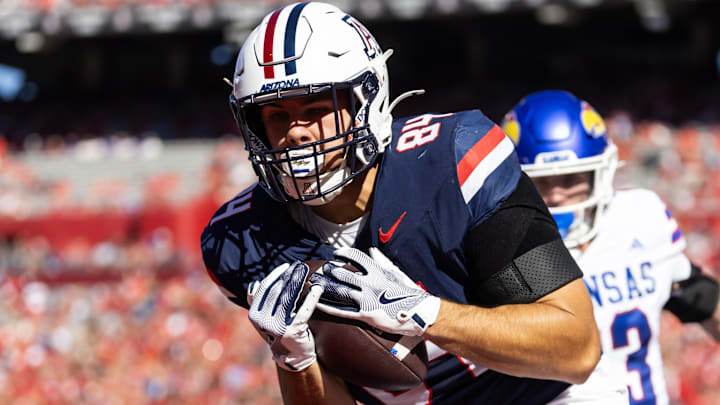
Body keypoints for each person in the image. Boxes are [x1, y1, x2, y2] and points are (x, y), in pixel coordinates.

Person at [201, 3, 609, 404]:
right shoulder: (241, 240)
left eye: (316, 109)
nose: (296, 133)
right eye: (276, 116)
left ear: (366, 101)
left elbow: (577, 349)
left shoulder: (452, 161)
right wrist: (295, 359)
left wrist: (421, 312)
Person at [503, 90, 720, 405]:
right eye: (540, 182)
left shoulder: (639, 218)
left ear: (601, 172)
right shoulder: (504, 251)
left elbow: (697, 295)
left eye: (571, 178)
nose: (557, 196)